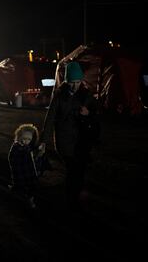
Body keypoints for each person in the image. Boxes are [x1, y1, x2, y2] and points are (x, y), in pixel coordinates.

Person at [41, 61, 100, 210]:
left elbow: (97, 115)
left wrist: (89, 113)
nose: (75, 85)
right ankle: (71, 200)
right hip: (64, 140)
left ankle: (76, 196)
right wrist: (43, 141)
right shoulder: (59, 96)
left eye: (78, 82)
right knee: (72, 169)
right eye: (72, 82)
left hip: (81, 141)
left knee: (79, 170)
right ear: (66, 81)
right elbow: (50, 118)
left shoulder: (86, 95)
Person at [8, 124, 46, 209]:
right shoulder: (17, 147)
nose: (26, 141)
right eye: (24, 138)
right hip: (21, 175)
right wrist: (38, 152)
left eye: (29, 139)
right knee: (23, 190)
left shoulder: (26, 147)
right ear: (19, 137)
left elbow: (30, 158)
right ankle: (19, 194)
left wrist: (38, 152)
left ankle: (28, 198)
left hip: (29, 174)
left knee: (30, 190)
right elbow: (23, 154)